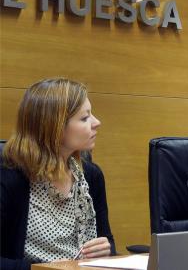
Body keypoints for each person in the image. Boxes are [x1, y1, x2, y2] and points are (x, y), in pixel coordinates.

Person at [0, 78, 116, 270]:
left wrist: (106, 249)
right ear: (55, 127)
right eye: (85, 117)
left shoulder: (91, 176)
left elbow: (108, 244)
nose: (97, 122)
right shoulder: (9, 178)